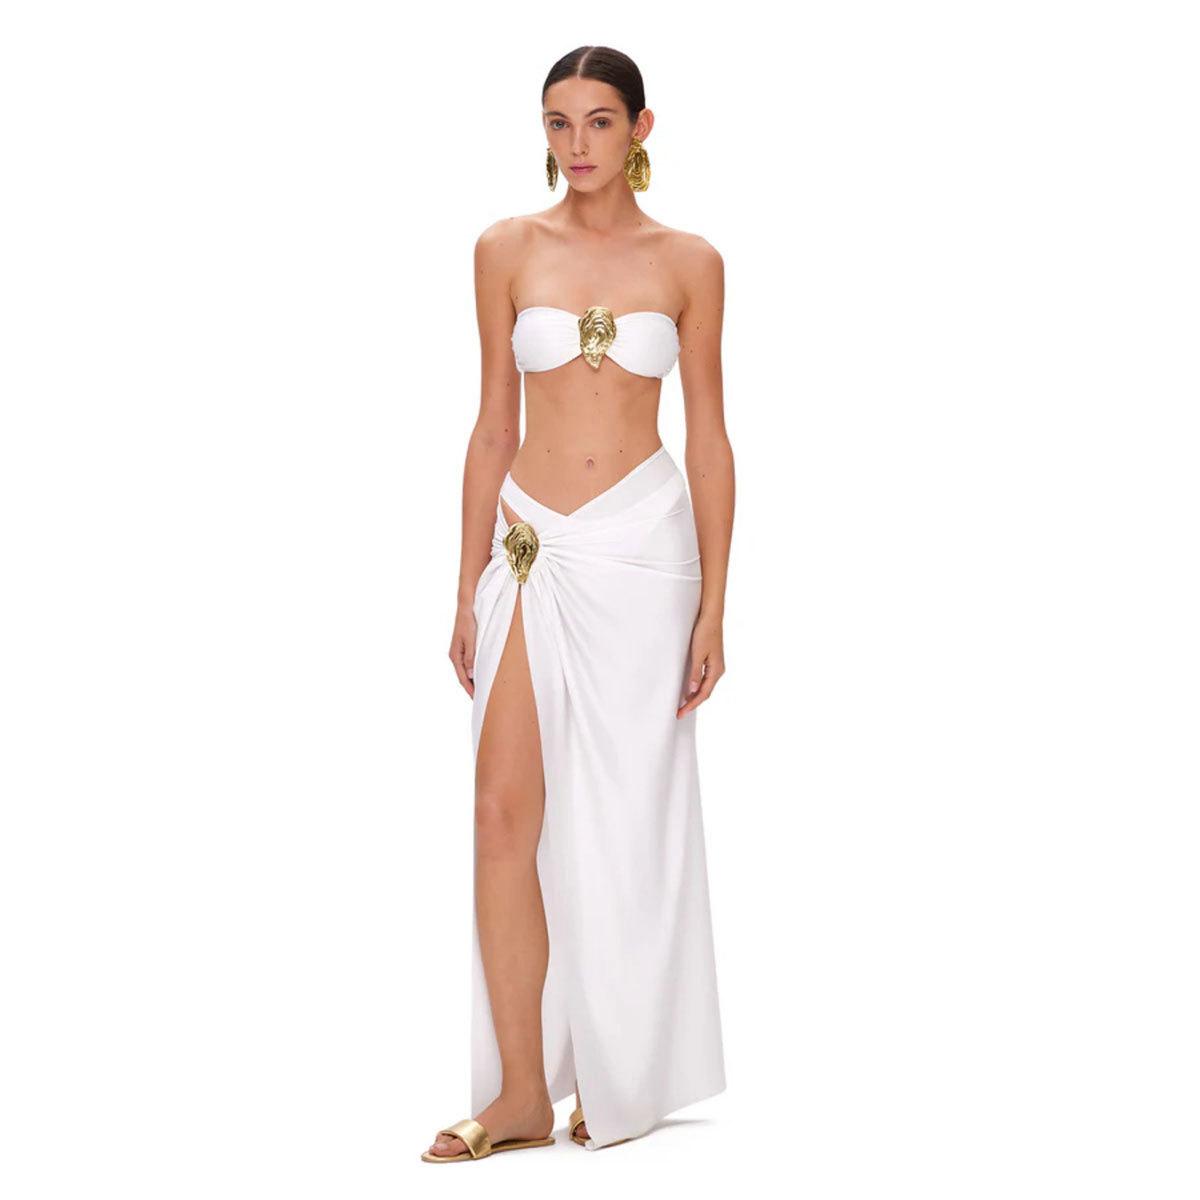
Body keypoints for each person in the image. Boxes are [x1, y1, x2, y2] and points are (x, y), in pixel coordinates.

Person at [424, 44, 734, 1164]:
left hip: (646, 554)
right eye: (559, 123)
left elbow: (710, 435)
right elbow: (490, 424)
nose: (578, 144)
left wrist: (716, 605)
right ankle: (518, 1093)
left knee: (624, 818)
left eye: (600, 122)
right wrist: (466, 583)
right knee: (501, 814)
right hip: (530, 548)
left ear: (640, 128)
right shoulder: (505, 249)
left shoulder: (690, 262)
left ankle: (621, 1074)